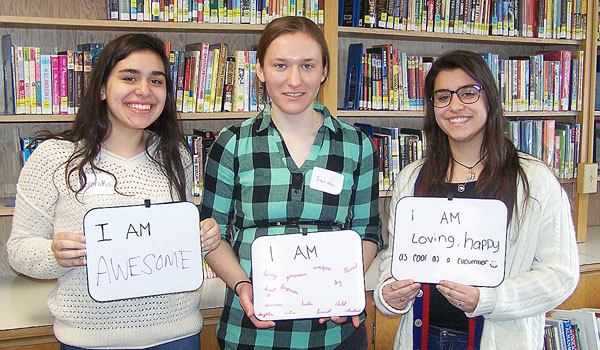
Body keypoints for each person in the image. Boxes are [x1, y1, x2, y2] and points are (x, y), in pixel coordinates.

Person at [7, 33, 221, 350]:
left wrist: (203, 241)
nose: (144, 91)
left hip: (177, 335)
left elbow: (171, 245)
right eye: (129, 77)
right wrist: (55, 254)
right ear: (103, 87)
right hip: (90, 340)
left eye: (156, 81)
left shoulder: (176, 155)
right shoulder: (54, 157)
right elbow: (19, 250)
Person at [373, 50, 579, 349]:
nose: (455, 105)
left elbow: (560, 275)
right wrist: (389, 293)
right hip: (422, 337)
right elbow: (397, 260)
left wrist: (490, 299)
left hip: (499, 339)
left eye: (468, 93)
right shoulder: (412, 177)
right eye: (442, 96)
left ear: (489, 99)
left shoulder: (533, 180)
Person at [200, 16, 381, 349]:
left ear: (324, 71)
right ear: (260, 69)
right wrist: (242, 286)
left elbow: (368, 232)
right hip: (252, 330)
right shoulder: (232, 143)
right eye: (280, 65)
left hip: (334, 331)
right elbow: (213, 234)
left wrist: (346, 284)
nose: (294, 80)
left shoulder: (357, 145)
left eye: (308, 65)